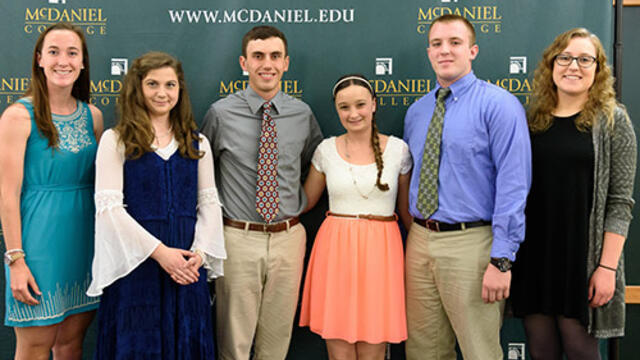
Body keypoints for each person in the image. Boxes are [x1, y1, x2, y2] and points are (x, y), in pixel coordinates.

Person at [402, 14, 531, 360]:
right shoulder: (417, 111)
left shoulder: (499, 105)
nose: (445, 50)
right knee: (423, 351)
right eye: (437, 44)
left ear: (472, 50)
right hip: (419, 241)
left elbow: (513, 186)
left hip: (472, 245)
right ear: (428, 52)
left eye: (455, 43)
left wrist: (502, 259)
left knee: (480, 351)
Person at [87, 51, 226, 359]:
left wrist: (199, 255)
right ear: (138, 88)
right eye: (152, 84)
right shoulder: (116, 139)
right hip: (135, 268)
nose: (162, 93)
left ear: (180, 90)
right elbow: (109, 209)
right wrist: (161, 254)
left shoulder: (197, 143)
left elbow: (209, 204)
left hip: (187, 271)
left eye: (170, 85)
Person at [510, 28, 636, 360]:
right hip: (535, 255)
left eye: (584, 59)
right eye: (564, 58)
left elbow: (620, 203)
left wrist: (606, 268)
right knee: (541, 351)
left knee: (581, 351)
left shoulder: (613, 122)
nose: (573, 66)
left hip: (582, 258)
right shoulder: (530, 120)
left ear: (598, 69)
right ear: (551, 65)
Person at [200, 25, 323, 360]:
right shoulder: (220, 114)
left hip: (289, 237)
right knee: (234, 341)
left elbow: (317, 165)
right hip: (239, 237)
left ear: (286, 63)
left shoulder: (302, 114)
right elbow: (201, 176)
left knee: (277, 339)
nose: (266, 64)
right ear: (244, 62)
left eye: (274, 56)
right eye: (258, 56)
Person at [0, 22, 103, 360]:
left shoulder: (94, 117)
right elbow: (7, 195)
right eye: (54, 52)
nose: (64, 61)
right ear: (39, 59)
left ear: (83, 62)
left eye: (72, 53)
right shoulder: (18, 116)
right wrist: (16, 259)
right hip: (37, 247)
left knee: (71, 345)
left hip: (85, 244)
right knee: (33, 347)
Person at [299, 74, 412, 360]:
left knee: (374, 346)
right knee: (339, 349)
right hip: (335, 251)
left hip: (382, 253)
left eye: (360, 104)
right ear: (336, 110)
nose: (353, 114)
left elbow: (407, 212)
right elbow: (304, 202)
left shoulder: (399, 150)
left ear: (374, 104)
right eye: (344, 107)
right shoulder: (325, 150)